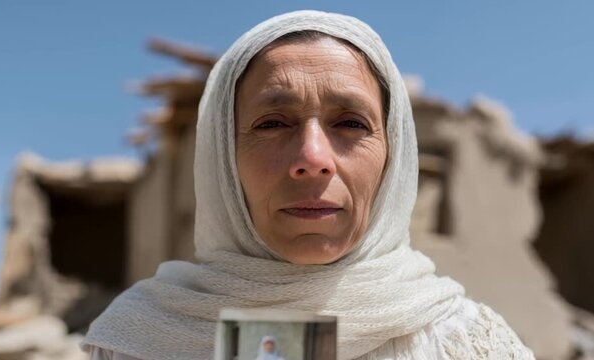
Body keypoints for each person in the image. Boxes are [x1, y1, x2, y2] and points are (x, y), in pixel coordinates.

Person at [81, 10, 535, 359]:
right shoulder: (134, 344)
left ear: (394, 157)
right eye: (273, 122)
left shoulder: (472, 342)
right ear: (222, 157)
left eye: (351, 123)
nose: (312, 159)